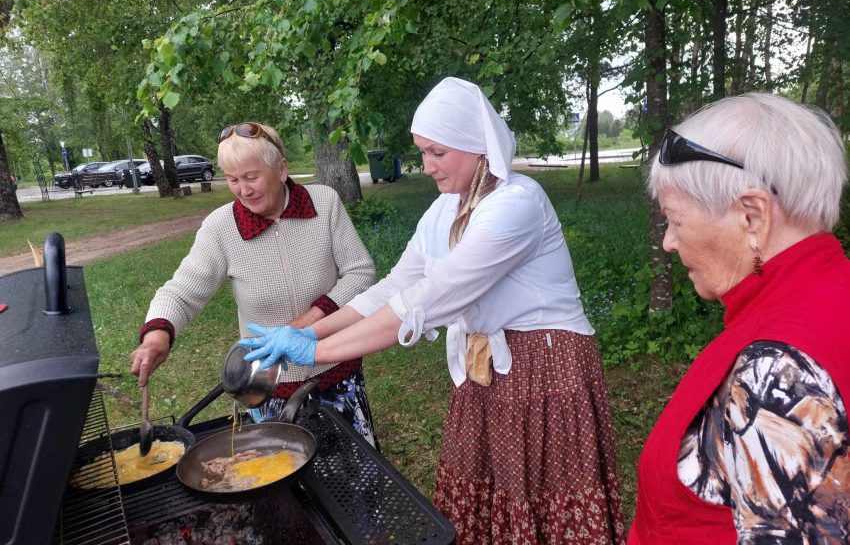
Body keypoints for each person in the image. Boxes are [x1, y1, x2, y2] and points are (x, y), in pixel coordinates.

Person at [238, 78, 625, 544]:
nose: (426, 166)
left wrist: (315, 351)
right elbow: (397, 285)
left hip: (544, 366)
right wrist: (314, 332)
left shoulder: (516, 205)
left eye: (437, 152)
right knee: (484, 481)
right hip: (485, 368)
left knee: (539, 491)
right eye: (422, 152)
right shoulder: (446, 208)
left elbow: (428, 299)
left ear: (476, 145)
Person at [628, 94, 850, 544]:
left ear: (752, 216)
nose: (669, 242)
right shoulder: (827, 294)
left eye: (675, 220)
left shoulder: (778, 373)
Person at [129, 122, 379, 446]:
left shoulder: (325, 203)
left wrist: (307, 323)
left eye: (252, 177)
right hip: (267, 388)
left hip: (336, 369)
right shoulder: (221, 228)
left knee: (356, 479)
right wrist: (156, 336)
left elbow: (360, 272)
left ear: (281, 169)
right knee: (287, 489)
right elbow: (181, 291)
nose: (243, 190)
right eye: (232, 179)